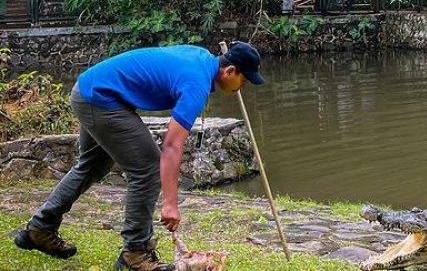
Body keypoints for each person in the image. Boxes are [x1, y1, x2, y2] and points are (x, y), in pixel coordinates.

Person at [14, 42, 266, 271]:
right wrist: (170, 203)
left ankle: (40, 228)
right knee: (147, 168)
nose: (243, 88)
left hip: (91, 88)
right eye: (245, 81)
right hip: (101, 98)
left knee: (93, 165)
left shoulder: (201, 57)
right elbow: (172, 145)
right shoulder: (196, 83)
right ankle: (135, 253)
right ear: (230, 71)